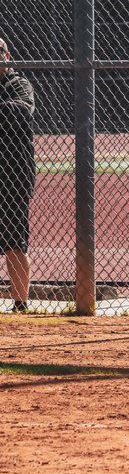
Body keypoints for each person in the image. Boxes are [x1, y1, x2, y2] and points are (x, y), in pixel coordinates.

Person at [0, 37, 34, 313]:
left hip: (13, 174)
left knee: (14, 239)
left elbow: (20, 111)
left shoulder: (18, 84)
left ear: (7, 56)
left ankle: (21, 304)